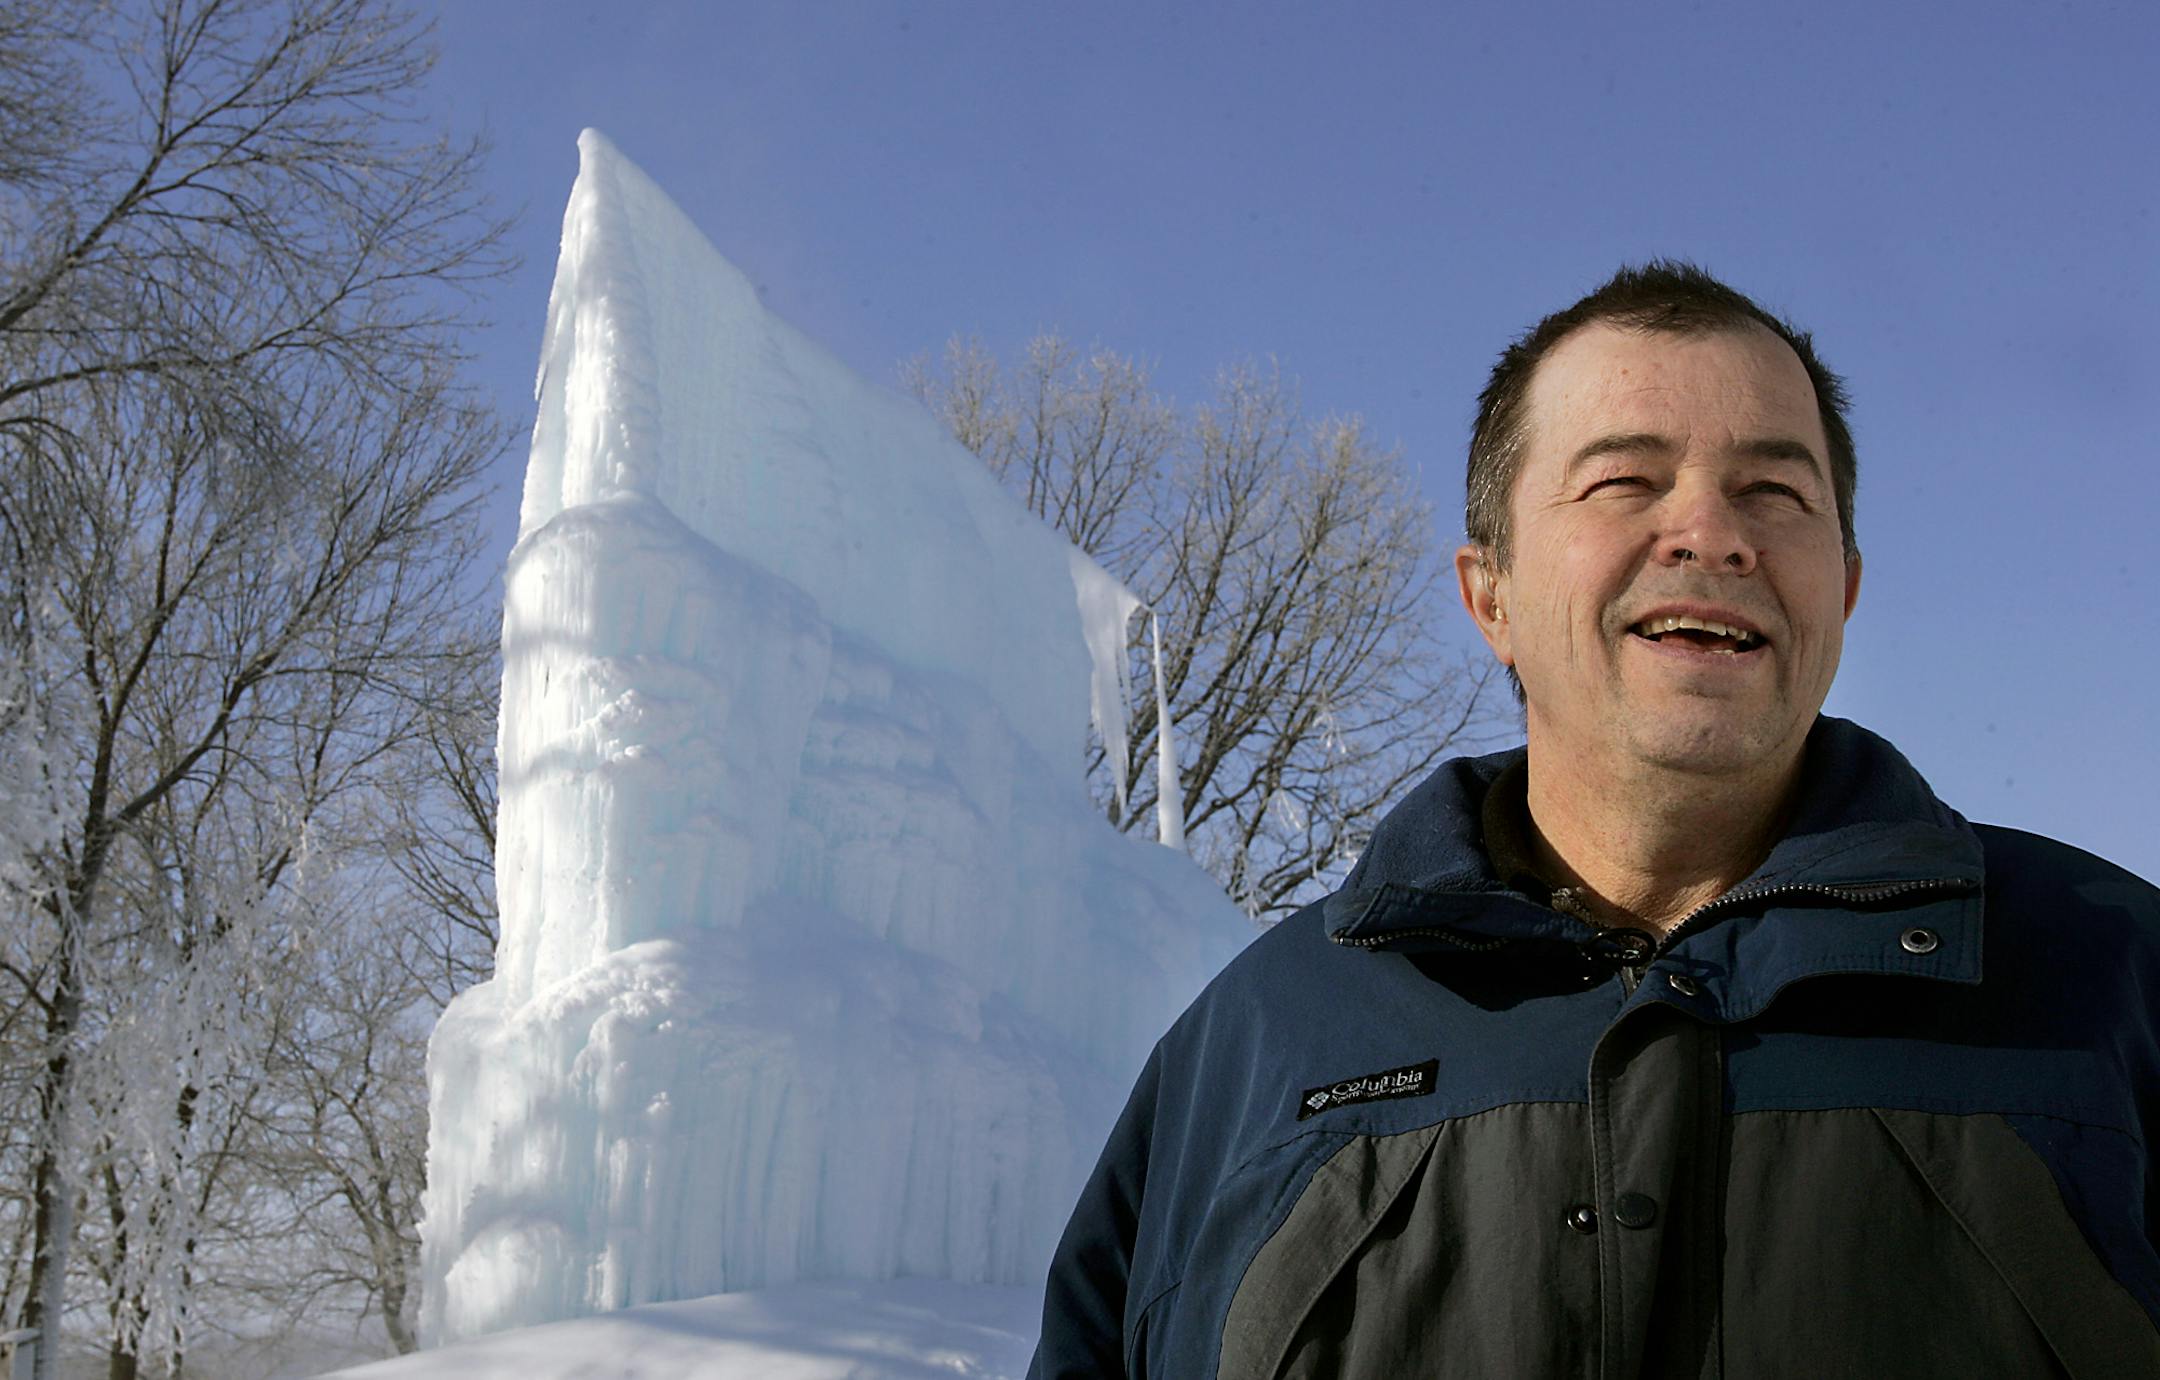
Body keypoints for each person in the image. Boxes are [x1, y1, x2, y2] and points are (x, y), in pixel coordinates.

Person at [1025, 262, 2160, 1379]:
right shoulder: (1256, 1043)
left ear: (1845, 591)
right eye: (1626, 480)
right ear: (1491, 596)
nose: (1711, 534)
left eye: (1776, 492)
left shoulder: (2114, 976)